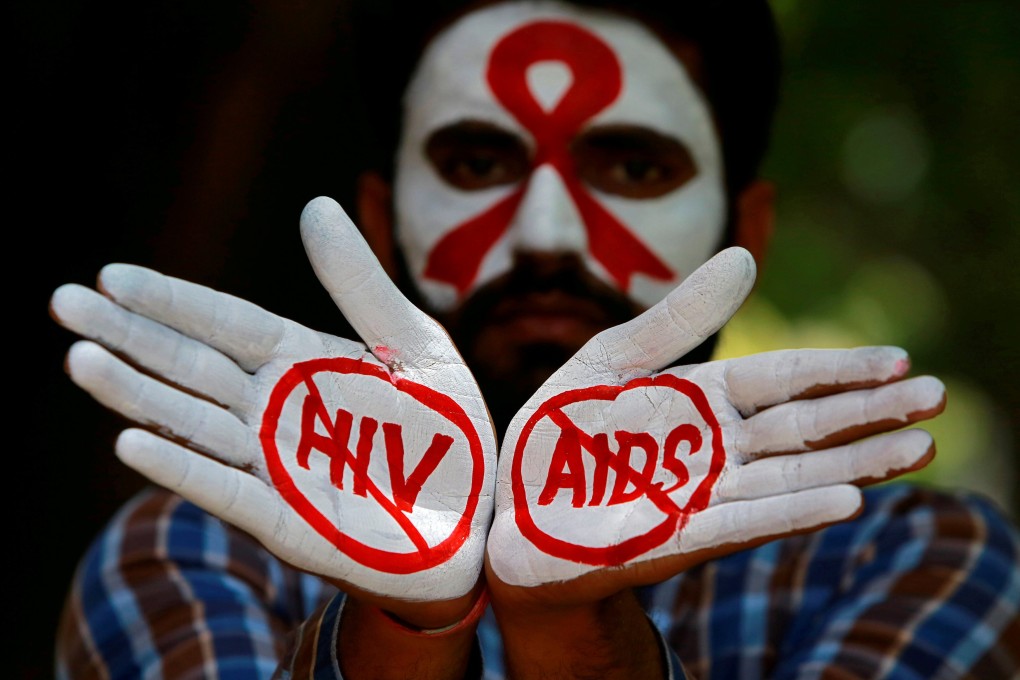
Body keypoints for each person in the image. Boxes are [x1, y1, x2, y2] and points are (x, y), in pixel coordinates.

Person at [50, 1, 1020, 678]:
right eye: (476, 160)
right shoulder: (186, 547)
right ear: (380, 226)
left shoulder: (921, 560)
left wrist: (567, 625)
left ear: (748, 231)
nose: (547, 232)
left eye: (633, 165)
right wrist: (406, 626)